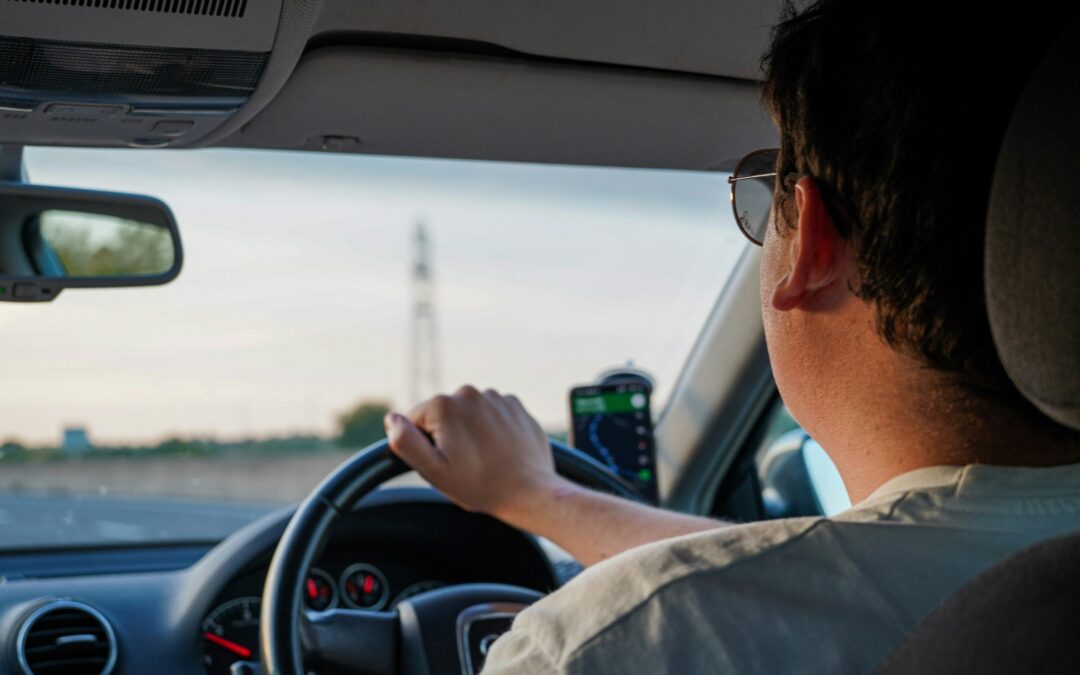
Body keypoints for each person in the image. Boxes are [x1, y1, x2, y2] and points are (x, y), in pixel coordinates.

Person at [384, 1, 1080, 672]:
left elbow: (791, 586)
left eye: (763, 195)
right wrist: (539, 496)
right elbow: (826, 572)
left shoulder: (609, 648)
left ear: (810, 244)